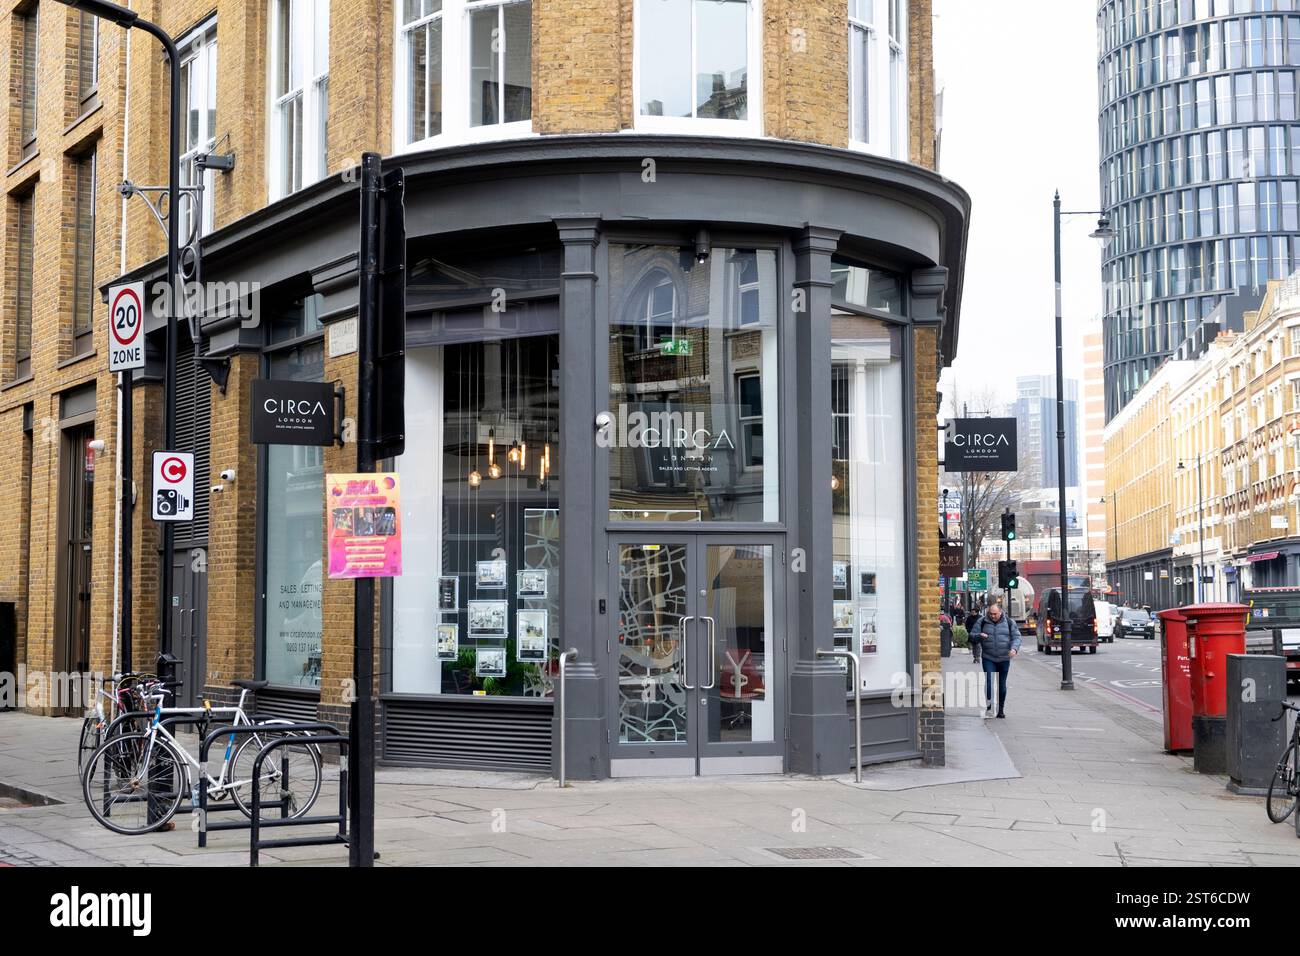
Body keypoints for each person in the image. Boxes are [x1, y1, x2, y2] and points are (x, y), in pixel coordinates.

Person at [969, 602, 1021, 718]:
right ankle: (989, 707)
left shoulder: (1009, 622)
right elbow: (972, 636)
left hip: (1004, 658)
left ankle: (1000, 710)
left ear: (1000, 612)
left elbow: (1016, 637)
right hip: (989, 657)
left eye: (995, 614)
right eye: (990, 614)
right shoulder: (982, 621)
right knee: (989, 683)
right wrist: (979, 636)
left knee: (1002, 685)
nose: (992, 616)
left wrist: (1014, 649)